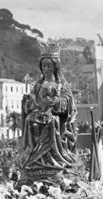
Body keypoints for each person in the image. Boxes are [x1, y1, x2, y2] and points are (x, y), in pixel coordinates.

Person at [21, 43, 76, 178]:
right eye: (44, 66)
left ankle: (53, 159)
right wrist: (28, 102)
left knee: (51, 122)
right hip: (38, 114)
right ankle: (35, 159)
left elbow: (68, 101)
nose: (46, 68)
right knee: (30, 120)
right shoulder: (38, 85)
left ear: (55, 66)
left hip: (55, 116)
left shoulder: (61, 84)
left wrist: (57, 102)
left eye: (49, 65)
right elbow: (33, 102)